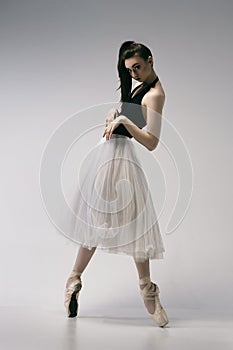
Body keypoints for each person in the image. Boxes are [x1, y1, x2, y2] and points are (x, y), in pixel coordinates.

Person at [64, 41, 169, 327]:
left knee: (130, 225)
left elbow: (152, 142)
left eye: (138, 67)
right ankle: (78, 280)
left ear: (150, 59)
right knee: (102, 222)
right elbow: (130, 116)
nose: (134, 73)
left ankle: (78, 279)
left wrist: (124, 119)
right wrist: (115, 114)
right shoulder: (139, 87)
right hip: (110, 157)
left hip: (120, 159)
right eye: (130, 70)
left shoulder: (156, 94)